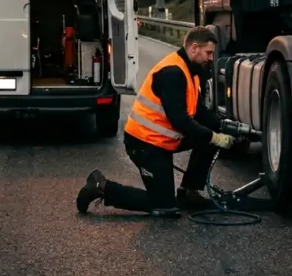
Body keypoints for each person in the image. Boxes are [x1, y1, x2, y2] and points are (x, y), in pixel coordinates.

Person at [76, 26, 237, 217]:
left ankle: (189, 192)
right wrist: (214, 137)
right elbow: (180, 121)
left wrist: (224, 127)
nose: (211, 58)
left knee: (208, 134)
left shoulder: (191, 70)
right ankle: (100, 186)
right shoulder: (172, 73)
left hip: (163, 140)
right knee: (164, 206)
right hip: (144, 144)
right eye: (208, 53)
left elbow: (199, 111)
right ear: (194, 48)